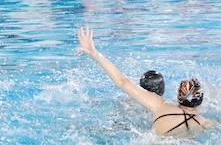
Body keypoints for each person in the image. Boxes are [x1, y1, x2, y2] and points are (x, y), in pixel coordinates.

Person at [76, 26, 210, 138]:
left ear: (179, 96)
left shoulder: (159, 105)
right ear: (201, 99)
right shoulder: (206, 123)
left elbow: (123, 82)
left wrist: (95, 53)